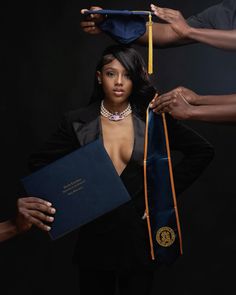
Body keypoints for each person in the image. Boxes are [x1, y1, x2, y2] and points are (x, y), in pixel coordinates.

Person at [25, 44, 214, 295]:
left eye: (127, 75)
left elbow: (202, 151)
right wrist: (74, 198)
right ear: (99, 77)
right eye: (111, 73)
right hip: (94, 239)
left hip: (138, 238)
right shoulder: (76, 120)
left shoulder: (153, 119)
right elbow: (39, 164)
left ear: (135, 79)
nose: (119, 82)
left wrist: (161, 194)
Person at [80, 1, 236, 122]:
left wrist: (192, 111)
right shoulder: (228, 10)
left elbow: (185, 31)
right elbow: (171, 32)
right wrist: (109, 22)